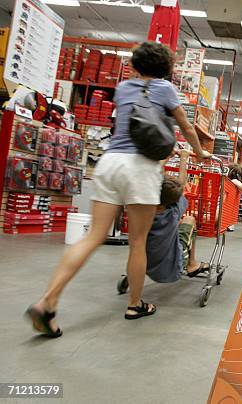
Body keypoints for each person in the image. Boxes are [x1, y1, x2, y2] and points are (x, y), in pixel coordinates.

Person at [26, 42, 211, 337]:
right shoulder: (165, 89)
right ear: (167, 68)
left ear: (135, 66)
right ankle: (135, 304)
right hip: (140, 168)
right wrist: (199, 152)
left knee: (93, 237)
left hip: (110, 162)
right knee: (138, 242)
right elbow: (186, 128)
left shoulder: (124, 88)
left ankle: (48, 301)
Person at [145, 149, 207, 285]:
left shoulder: (143, 209)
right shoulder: (173, 211)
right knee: (190, 220)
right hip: (172, 270)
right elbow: (182, 183)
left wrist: (166, 157)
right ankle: (192, 264)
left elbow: (155, 176)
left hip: (144, 265)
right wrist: (184, 158)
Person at [226, 163, 242, 232]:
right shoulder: (231, 182)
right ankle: (230, 225)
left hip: (224, 207)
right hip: (229, 208)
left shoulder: (234, 181)